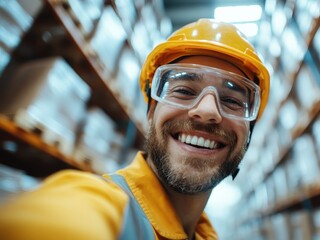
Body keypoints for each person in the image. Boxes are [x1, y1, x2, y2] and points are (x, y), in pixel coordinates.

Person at [0, 18, 270, 240]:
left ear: (249, 133)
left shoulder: (204, 235)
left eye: (233, 100)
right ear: (151, 111)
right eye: (184, 90)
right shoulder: (99, 204)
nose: (208, 111)